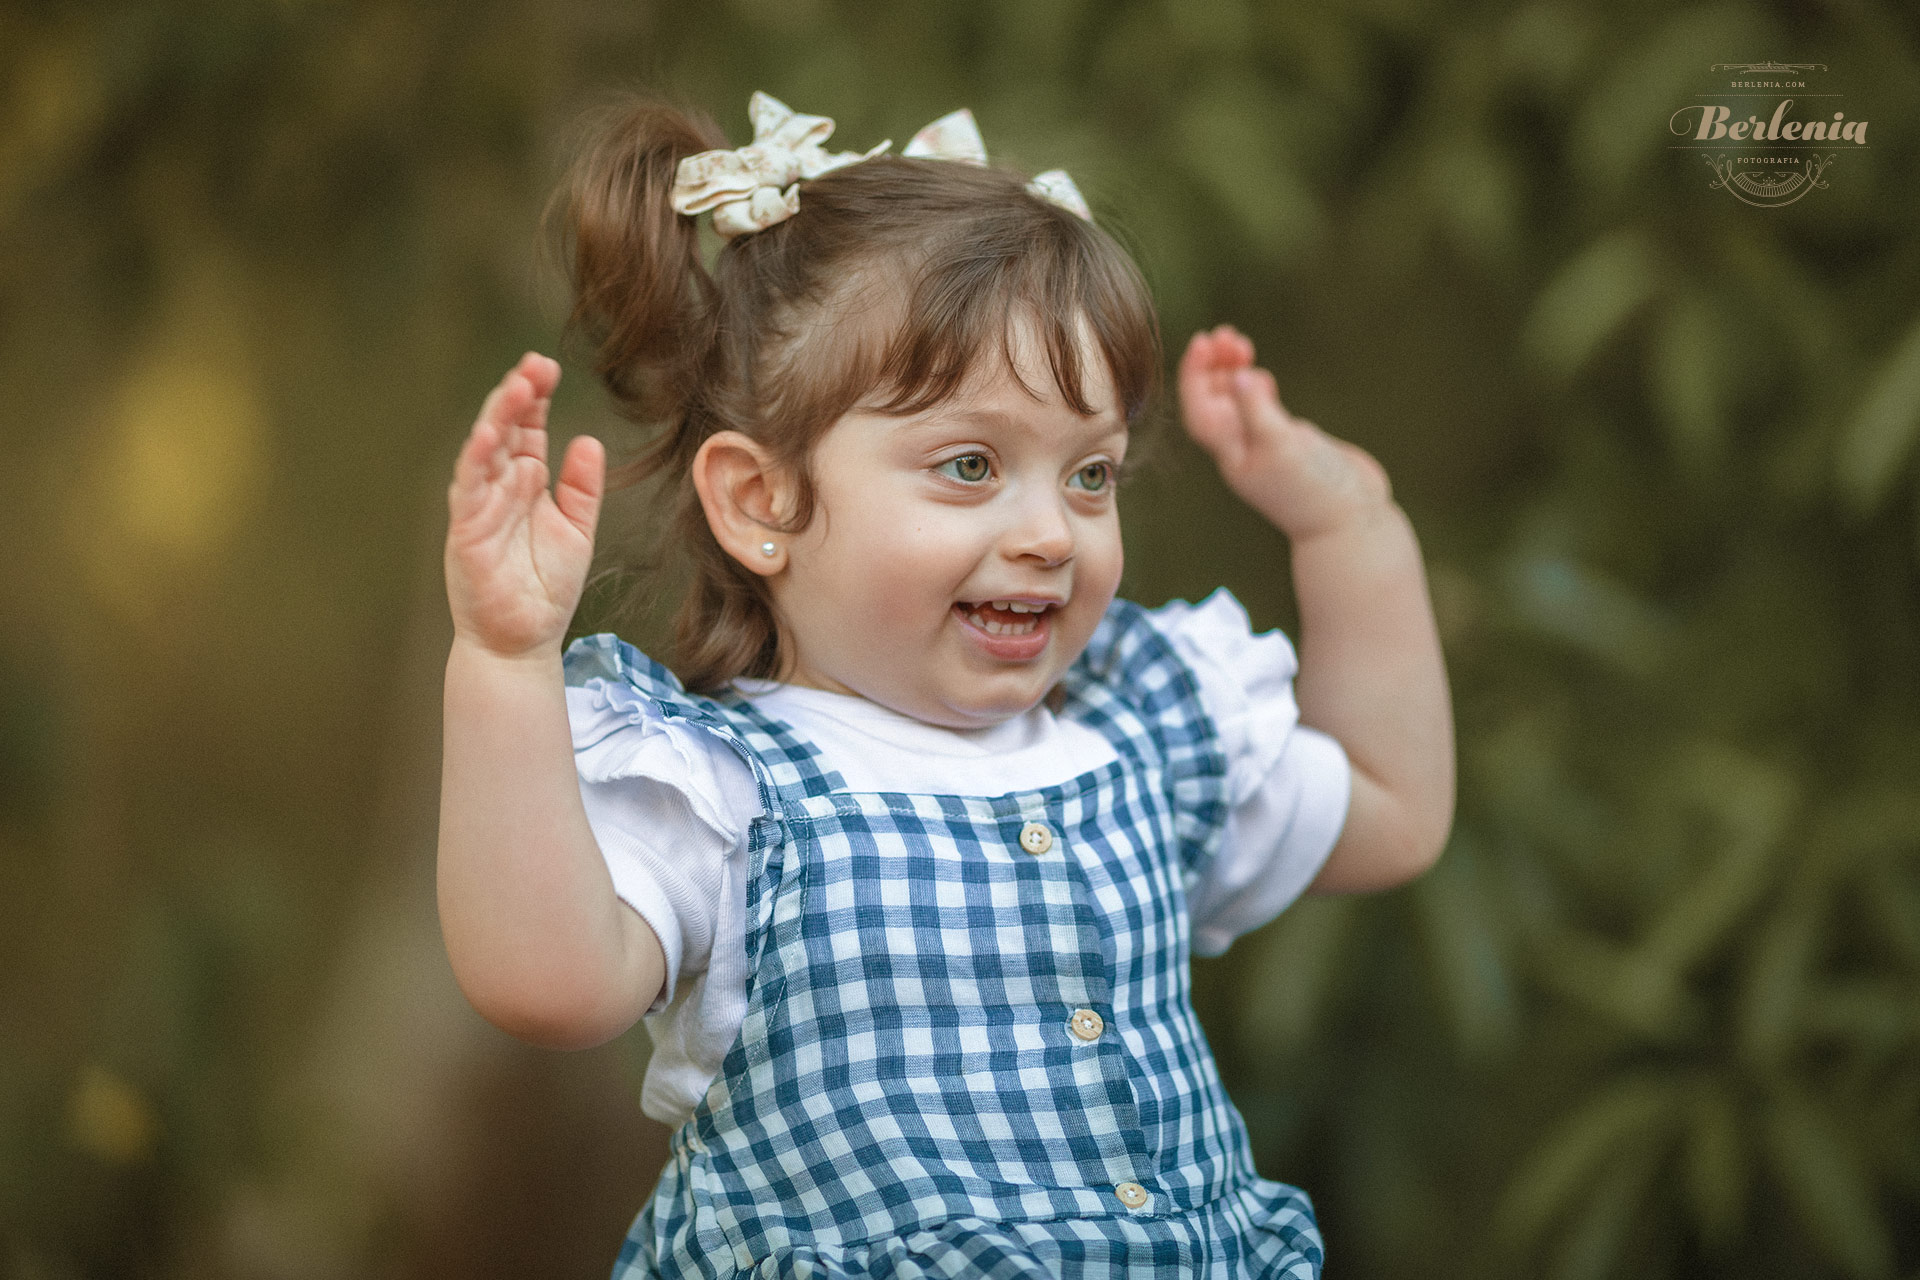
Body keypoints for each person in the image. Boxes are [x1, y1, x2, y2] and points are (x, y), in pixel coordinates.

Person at [438, 92, 1453, 1279]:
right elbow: (547, 983)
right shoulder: (728, 795)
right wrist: (504, 660)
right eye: (970, 464)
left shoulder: (1143, 735)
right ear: (763, 501)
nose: (1050, 533)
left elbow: (1393, 809)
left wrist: (1351, 525)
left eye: (1090, 474)